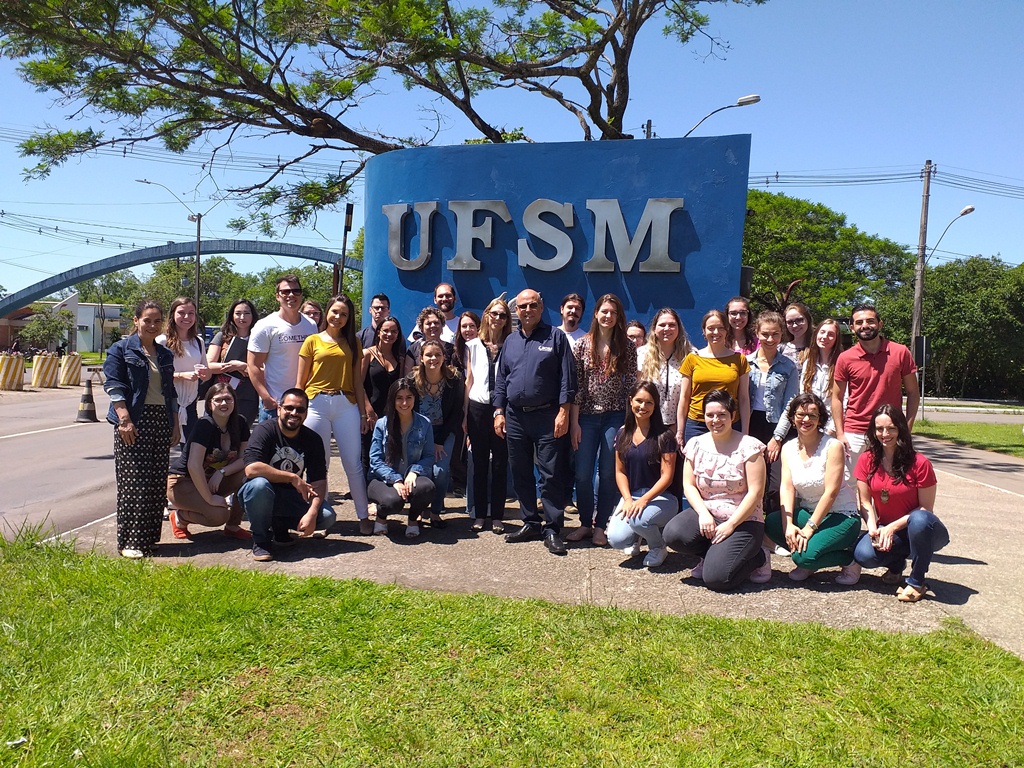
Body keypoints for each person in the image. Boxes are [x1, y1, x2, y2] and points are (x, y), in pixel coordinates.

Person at [494, 288, 577, 555]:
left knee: (550, 474)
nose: (527, 310)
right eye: (522, 307)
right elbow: (501, 379)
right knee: (520, 472)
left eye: (532, 306)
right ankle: (530, 521)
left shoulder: (556, 337)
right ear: (515, 311)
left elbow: (568, 379)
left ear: (541, 307)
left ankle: (552, 528)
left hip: (547, 416)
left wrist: (564, 412)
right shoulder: (510, 341)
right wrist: (498, 411)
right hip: (515, 417)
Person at [664, 390, 771, 590]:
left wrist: (730, 524)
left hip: (743, 520)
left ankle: (758, 557)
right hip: (709, 515)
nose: (716, 420)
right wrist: (704, 514)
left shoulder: (749, 447)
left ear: (733, 415)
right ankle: (710, 554)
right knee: (673, 534)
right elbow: (689, 485)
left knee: (717, 579)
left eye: (722, 414)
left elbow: (756, 493)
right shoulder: (695, 444)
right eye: (710, 415)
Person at [103, 300, 181, 558]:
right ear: (136, 320)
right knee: (133, 481)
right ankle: (129, 542)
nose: (152, 325)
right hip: (133, 419)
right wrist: (124, 418)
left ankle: (147, 539)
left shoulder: (165, 354)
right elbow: (114, 385)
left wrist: (175, 420)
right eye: (147, 320)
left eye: (157, 320)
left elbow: (170, 391)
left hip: (160, 419)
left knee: (156, 481)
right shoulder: (121, 349)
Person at [849, 404, 948, 601]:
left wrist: (892, 528)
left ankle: (917, 582)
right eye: (879, 429)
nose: (885, 434)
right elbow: (865, 502)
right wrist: (873, 528)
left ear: (901, 429)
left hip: (923, 530)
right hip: (888, 529)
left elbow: (925, 509)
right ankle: (896, 566)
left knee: (919, 519)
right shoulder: (867, 459)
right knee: (863, 555)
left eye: (891, 428)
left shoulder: (920, 463)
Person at [764, 393, 862, 583]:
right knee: (772, 523)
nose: (806, 419)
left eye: (812, 415)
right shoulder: (788, 448)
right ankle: (812, 557)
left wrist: (808, 530)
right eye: (800, 414)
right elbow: (787, 487)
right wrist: (788, 526)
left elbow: (831, 493)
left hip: (841, 516)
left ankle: (849, 560)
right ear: (792, 418)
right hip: (809, 512)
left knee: (803, 557)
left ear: (820, 420)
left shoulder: (832, 446)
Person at [296, 293, 372, 534]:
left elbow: (358, 383)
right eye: (335, 312)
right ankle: (321, 516)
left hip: (345, 404)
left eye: (344, 314)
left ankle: (363, 515)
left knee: (353, 463)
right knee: (320, 464)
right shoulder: (312, 341)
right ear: (327, 312)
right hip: (316, 404)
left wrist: (362, 414)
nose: (338, 317)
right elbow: (300, 382)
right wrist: (297, 411)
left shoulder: (353, 343)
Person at [567, 293, 638, 547]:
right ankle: (586, 523)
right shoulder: (582, 345)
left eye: (613, 312)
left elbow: (631, 385)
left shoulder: (627, 347)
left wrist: (628, 425)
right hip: (585, 416)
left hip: (615, 416)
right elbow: (575, 387)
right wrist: (574, 423)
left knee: (608, 474)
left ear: (619, 317)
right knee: (583, 473)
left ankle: (601, 526)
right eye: (604, 311)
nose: (608, 316)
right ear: (596, 314)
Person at [239, 388, 337, 562]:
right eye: (289, 408)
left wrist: (312, 514)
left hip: (291, 497)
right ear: (279, 409)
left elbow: (319, 481)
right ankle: (261, 540)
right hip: (259, 494)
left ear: (306, 413)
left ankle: (280, 528)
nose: (294, 413)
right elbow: (251, 469)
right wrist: (292, 477)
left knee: (327, 517)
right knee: (259, 485)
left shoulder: (312, 439)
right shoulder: (265, 430)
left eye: (300, 410)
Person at [832, 305, 919, 474]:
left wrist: (906, 429)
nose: (865, 325)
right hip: (855, 431)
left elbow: (913, 392)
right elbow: (836, 397)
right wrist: (840, 433)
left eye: (870, 321)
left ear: (880, 324)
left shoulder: (900, 352)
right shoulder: (845, 358)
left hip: (890, 430)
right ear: (852, 328)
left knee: (888, 481)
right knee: (849, 485)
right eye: (859, 322)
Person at [166, 382, 252, 542]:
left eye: (228, 399)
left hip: (212, 479)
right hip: (183, 482)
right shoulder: (204, 425)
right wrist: (210, 499)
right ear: (209, 404)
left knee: (249, 474)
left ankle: (233, 527)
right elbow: (193, 465)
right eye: (218, 400)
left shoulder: (240, 423)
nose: (224, 403)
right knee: (218, 515)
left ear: (234, 401)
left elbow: (245, 458)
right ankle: (180, 517)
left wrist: (222, 472)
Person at [606, 381, 679, 568]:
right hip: (633, 496)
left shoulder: (665, 436)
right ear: (631, 401)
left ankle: (658, 547)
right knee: (616, 540)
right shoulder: (623, 433)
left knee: (640, 520)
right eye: (639, 401)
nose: (643, 407)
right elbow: (620, 471)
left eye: (649, 403)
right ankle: (637, 536)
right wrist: (628, 499)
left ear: (655, 405)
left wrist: (644, 500)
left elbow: (667, 477)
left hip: (663, 498)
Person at [464, 297, 511, 533]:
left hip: (502, 410)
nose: (498, 319)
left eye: (503, 315)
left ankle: (498, 517)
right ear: (487, 315)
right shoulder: (473, 344)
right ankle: (480, 515)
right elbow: (469, 379)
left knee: (501, 464)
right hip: (477, 409)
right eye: (495, 314)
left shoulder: (512, 344)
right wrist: (464, 415)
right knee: (480, 463)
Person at [746, 310, 800, 514]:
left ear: (781, 334)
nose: (770, 339)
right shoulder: (746, 363)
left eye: (775, 334)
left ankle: (773, 530)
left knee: (775, 485)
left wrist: (777, 438)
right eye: (765, 334)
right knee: (751, 480)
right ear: (757, 333)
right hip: (750, 425)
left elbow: (791, 403)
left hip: (777, 426)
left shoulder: (788, 366)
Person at [367, 378, 436, 538]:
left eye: (409, 397)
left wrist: (414, 472)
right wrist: (395, 480)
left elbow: (428, 456)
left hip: (410, 477)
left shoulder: (424, 423)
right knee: (393, 501)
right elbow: (375, 460)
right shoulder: (382, 424)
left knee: (427, 488)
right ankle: (381, 515)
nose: (404, 403)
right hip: (381, 479)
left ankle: (413, 520)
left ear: (415, 398)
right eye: (399, 398)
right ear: (393, 399)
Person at [247, 274, 318, 422]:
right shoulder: (265, 326)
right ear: (277, 296)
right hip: (275, 404)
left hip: (305, 404)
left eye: (296, 291)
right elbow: (253, 364)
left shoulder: (311, 325)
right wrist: (266, 397)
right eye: (285, 292)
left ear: (301, 295)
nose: (291, 295)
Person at [676, 309, 751, 446]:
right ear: (704, 331)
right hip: (697, 425)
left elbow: (744, 399)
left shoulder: (739, 360)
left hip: (730, 424)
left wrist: (745, 431)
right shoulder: (692, 359)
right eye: (711, 328)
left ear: (727, 330)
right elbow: (684, 398)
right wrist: (680, 431)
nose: (716, 332)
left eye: (720, 328)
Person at [412, 338, 465, 528]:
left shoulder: (454, 379)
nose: (433, 358)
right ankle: (417, 510)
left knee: (440, 471)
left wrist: (439, 441)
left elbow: (456, 412)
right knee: (420, 471)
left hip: (444, 431)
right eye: (429, 355)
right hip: (419, 432)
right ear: (421, 357)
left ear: (444, 357)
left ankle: (435, 511)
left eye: (437, 355)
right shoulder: (413, 380)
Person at [774, 318, 842, 439]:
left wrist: (831, 430)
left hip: (832, 428)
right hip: (809, 424)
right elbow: (802, 395)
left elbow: (844, 401)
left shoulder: (841, 363)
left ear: (836, 339)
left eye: (831, 334)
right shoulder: (808, 362)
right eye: (822, 332)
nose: (825, 337)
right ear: (816, 334)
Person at [156, 296, 211, 444]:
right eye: (181, 313)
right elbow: (155, 375)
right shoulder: (162, 341)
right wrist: (182, 376)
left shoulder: (198, 342)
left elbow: (206, 371)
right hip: (168, 403)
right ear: (173, 315)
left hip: (190, 404)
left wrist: (205, 374)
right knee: (163, 449)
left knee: (190, 451)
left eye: (191, 313)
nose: (186, 317)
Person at [361, 315, 405, 476]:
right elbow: (358, 384)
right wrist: (366, 410)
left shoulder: (400, 359)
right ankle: (362, 493)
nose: (389, 334)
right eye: (385, 330)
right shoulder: (367, 354)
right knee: (366, 452)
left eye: (394, 331)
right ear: (378, 332)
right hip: (369, 413)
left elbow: (400, 387)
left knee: (387, 452)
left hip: (390, 414)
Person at [637, 307, 692, 435]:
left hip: (680, 427)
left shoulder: (690, 356)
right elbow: (636, 393)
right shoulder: (641, 354)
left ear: (679, 328)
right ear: (654, 329)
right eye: (662, 325)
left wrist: (678, 428)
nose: (667, 329)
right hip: (647, 425)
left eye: (672, 325)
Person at [207, 299, 260, 425]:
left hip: (247, 397)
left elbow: (264, 369)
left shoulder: (260, 338)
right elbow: (208, 365)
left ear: (253, 315)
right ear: (232, 315)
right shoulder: (222, 336)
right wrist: (232, 366)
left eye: (247, 313)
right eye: (238, 313)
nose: (242, 317)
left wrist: (245, 366)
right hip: (221, 396)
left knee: (241, 437)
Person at [406, 307, 459, 372]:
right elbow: (407, 376)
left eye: (436, 323)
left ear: (442, 325)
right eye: (428, 323)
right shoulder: (413, 348)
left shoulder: (452, 349)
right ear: (421, 327)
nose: (433, 325)